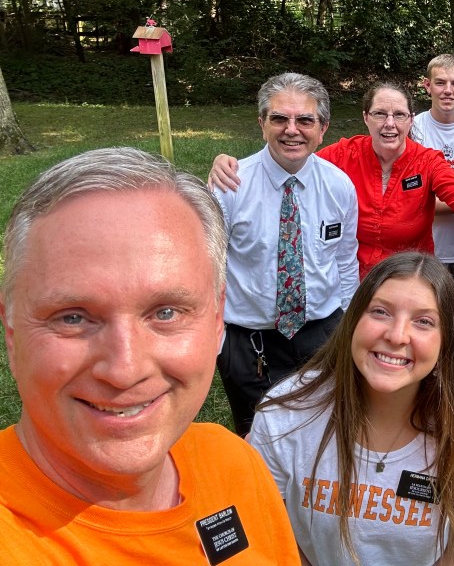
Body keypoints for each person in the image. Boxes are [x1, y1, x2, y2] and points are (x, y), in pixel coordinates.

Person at [0, 147, 299, 564]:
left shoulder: (233, 463)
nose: (125, 370)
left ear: (218, 320)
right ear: (11, 331)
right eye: (73, 317)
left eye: (166, 313)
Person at [248, 252, 454, 566]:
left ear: (446, 344)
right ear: (353, 321)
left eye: (424, 321)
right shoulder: (285, 416)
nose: (396, 335)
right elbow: (272, 536)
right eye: (381, 312)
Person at [209, 81, 454, 279]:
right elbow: (294, 159)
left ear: (411, 120)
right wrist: (230, 164)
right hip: (353, 281)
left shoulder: (426, 161)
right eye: (380, 114)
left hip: (410, 277)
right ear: (365, 117)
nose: (389, 124)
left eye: (399, 115)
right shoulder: (345, 154)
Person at [212, 72, 360, 435]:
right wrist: (218, 340)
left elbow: (344, 260)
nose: (291, 130)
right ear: (262, 124)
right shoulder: (229, 187)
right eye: (279, 118)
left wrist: (347, 328)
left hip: (322, 336)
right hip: (250, 342)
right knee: (256, 440)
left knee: (324, 435)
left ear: (322, 129)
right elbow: (206, 269)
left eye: (305, 120)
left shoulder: (339, 186)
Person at [412, 54, 454, 303]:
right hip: (424, 251)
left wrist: (431, 201)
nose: (448, 91)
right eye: (440, 82)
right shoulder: (412, 130)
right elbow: (407, 197)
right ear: (427, 85)